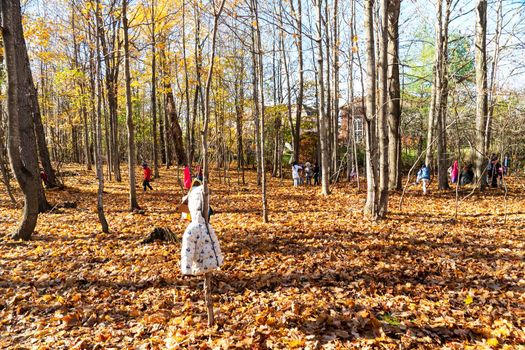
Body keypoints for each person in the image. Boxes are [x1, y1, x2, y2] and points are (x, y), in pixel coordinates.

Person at [180, 184, 223, 276]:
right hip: (200, 265)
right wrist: (187, 270)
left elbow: (215, 244)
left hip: (212, 263)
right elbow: (187, 251)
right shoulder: (192, 229)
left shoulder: (208, 226)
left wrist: (219, 260)